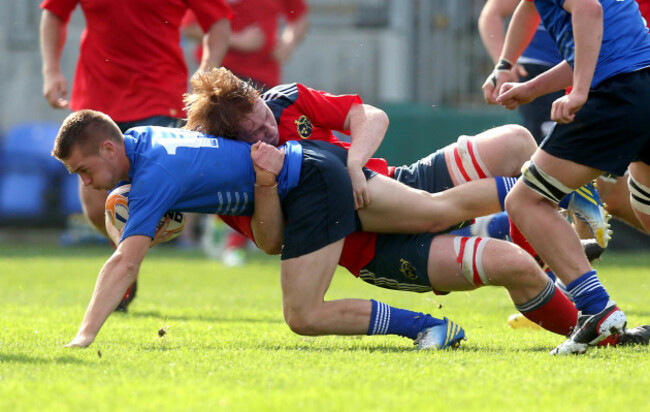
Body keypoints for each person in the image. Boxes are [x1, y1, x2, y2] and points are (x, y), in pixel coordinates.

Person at [184, 68, 650, 346]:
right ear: (231, 144)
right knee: (513, 264)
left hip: (392, 184)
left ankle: (542, 233)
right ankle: (596, 325)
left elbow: (369, 116)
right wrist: (267, 185)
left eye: (264, 119)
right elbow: (271, 242)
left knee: (515, 140)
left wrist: (353, 165)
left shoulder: (284, 102)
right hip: (375, 248)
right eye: (256, 135)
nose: (269, 132)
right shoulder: (233, 175)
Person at [53, 110, 515, 349]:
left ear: (110, 149)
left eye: (82, 170)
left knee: (303, 315)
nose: (85, 182)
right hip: (314, 161)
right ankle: (534, 191)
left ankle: (427, 326)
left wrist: (86, 334)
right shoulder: (146, 139)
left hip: (307, 186)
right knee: (437, 212)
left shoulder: (153, 175)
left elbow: (125, 261)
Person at [40, 0, 233, 310]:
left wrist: (206, 72)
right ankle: (126, 259)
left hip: (158, 96)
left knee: (149, 196)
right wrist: (50, 70)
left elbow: (219, 21)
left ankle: (125, 269)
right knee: (95, 206)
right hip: (97, 93)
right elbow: (54, 13)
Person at [482, 0, 650, 355]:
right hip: (641, 82)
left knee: (526, 201)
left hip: (617, 94)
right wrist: (527, 85)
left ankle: (596, 310)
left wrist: (579, 92)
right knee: (645, 209)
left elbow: (588, 10)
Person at [181, 0, 309, 265]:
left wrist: (289, 41)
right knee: (214, 157)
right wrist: (238, 40)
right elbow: (190, 26)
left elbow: (299, 16)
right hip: (222, 87)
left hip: (263, 84)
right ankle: (212, 221)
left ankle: (234, 238)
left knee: (260, 161)